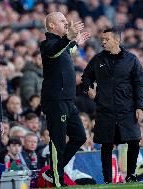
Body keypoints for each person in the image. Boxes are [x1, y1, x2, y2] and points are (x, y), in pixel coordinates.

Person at [81, 28, 143, 183]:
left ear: (117, 40)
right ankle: (108, 180)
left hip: (127, 109)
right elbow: (86, 77)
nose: (103, 42)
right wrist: (88, 89)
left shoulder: (131, 59)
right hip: (105, 109)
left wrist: (140, 106)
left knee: (134, 141)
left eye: (106, 39)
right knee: (106, 145)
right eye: (102, 39)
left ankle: (131, 174)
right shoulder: (97, 59)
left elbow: (140, 84)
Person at [40, 12, 90, 187]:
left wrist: (76, 42)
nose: (66, 23)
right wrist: (69, 38)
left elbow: (67, 48)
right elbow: (55, 52)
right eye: (62, 21)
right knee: (58, 141)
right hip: (55, 100)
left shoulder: (63, 46)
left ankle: (51, 171)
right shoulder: (47, 45)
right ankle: (57, 180)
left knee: (80, 137)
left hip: (68, 100)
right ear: (52, 25)